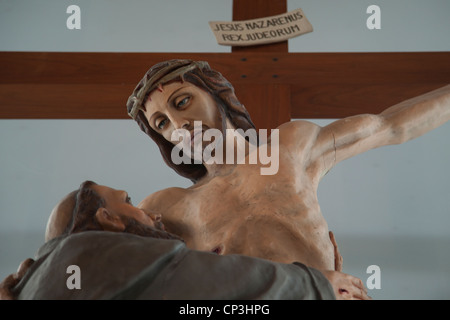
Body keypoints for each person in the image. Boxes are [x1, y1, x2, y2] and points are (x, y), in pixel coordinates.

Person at [126, 59, 450, 271]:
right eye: (161, 123)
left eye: (182, 101)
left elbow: (391, 126)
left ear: (216, 95)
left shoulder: (288, 146)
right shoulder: (169, 207)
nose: (178, 125)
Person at [0, 180, 370, 300]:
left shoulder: (40, 282)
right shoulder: (87, 252)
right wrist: (316, 284)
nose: (151, 214)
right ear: (107, 218)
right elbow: (212, 285)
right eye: (128, 203)